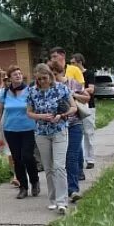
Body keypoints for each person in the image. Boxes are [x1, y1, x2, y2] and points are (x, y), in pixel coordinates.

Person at [27, 63, 77, 215]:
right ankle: (53, 199)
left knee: (59, 166)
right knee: (48, 167)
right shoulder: (32, 91)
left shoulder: (61, 88)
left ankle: (62, 202)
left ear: (51, 76)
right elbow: (29, 112)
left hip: (59, 130)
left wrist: (61, 115)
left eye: (45, 78)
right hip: (41, 132)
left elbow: (73, 107)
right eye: (39, 79)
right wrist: (41, 116)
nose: (42, 81)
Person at [0, 66, 39, 200]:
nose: (18, 76)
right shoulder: (5, 93)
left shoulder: (30, 91)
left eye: (19, 74)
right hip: (10, 130)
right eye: (15, 74)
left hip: (28, 129)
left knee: (27, 156)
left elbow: (36, 107)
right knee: (17, 159)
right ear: (9, 78)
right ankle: (23, 187)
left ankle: (34, 181)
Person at [50, 60, 89, 203]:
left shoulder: (72, 83)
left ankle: (73, 190)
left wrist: (73, 95)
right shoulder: (48, 87)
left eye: (55, 74)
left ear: (61, 72)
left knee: (71, 157)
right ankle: (61, 189)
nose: (53, 77)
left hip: (74, 124)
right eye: (50, 74)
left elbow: (86, 98)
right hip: (57, 127)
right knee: (59, 160)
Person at [70, 53, 96, 170]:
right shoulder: (71, 74)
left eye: (73, 62)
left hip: (87, 106)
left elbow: (91, 89)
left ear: (80, 62)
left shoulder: (88, 73)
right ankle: (78, 159)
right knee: (76, 133)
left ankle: (90, 159)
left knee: (88, 132)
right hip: (74, 106)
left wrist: (77, 90)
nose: (71, 65)